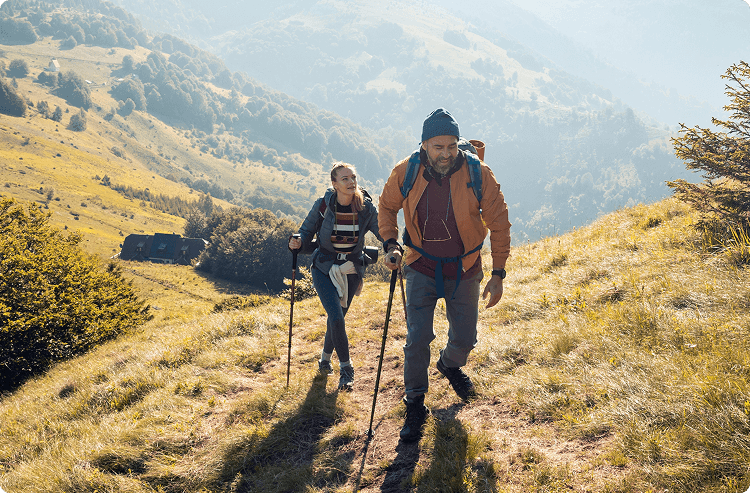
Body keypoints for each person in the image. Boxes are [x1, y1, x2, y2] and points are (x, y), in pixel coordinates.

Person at [378, 108, 511, 442]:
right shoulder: (406, 171)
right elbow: (386, 206)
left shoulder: (478, 173)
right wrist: (390, 243)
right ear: (424, 145)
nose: (446, 153)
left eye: (451, 146)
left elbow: (499, 222)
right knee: (417, 339)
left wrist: (498, 273)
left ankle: (450, 365)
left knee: (465, 339)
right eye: (438, 146)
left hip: (464, 268)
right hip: (421, 265)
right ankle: (415, 403)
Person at [289, 162, 383, 391]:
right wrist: (297, 241)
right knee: (337, 318)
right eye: (345, 179)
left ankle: (324, 360)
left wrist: (393, 246)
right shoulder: (323, 205)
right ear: (334, 184)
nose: (351, 182)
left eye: (353, 177)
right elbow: (306, 230)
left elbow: (384, 231)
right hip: (323, 267)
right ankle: (346, 368)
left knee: (336, 319)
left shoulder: (366, 208)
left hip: (351, 270)